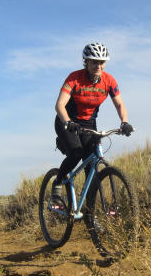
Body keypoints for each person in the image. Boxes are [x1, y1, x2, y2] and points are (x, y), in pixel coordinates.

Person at [53, 42, 133, 182]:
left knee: (91, 165)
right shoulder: (74, 78)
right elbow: (60, 105)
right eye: (94, 62)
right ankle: (57, 184)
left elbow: (119, 104)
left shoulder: (109, 80)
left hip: (89, 123)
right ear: (86, 62)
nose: (98, 66)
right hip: (66, 121)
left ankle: (90, 203)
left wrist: (124, 122)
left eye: (101, 62)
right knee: (76, 153)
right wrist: (68, 122)